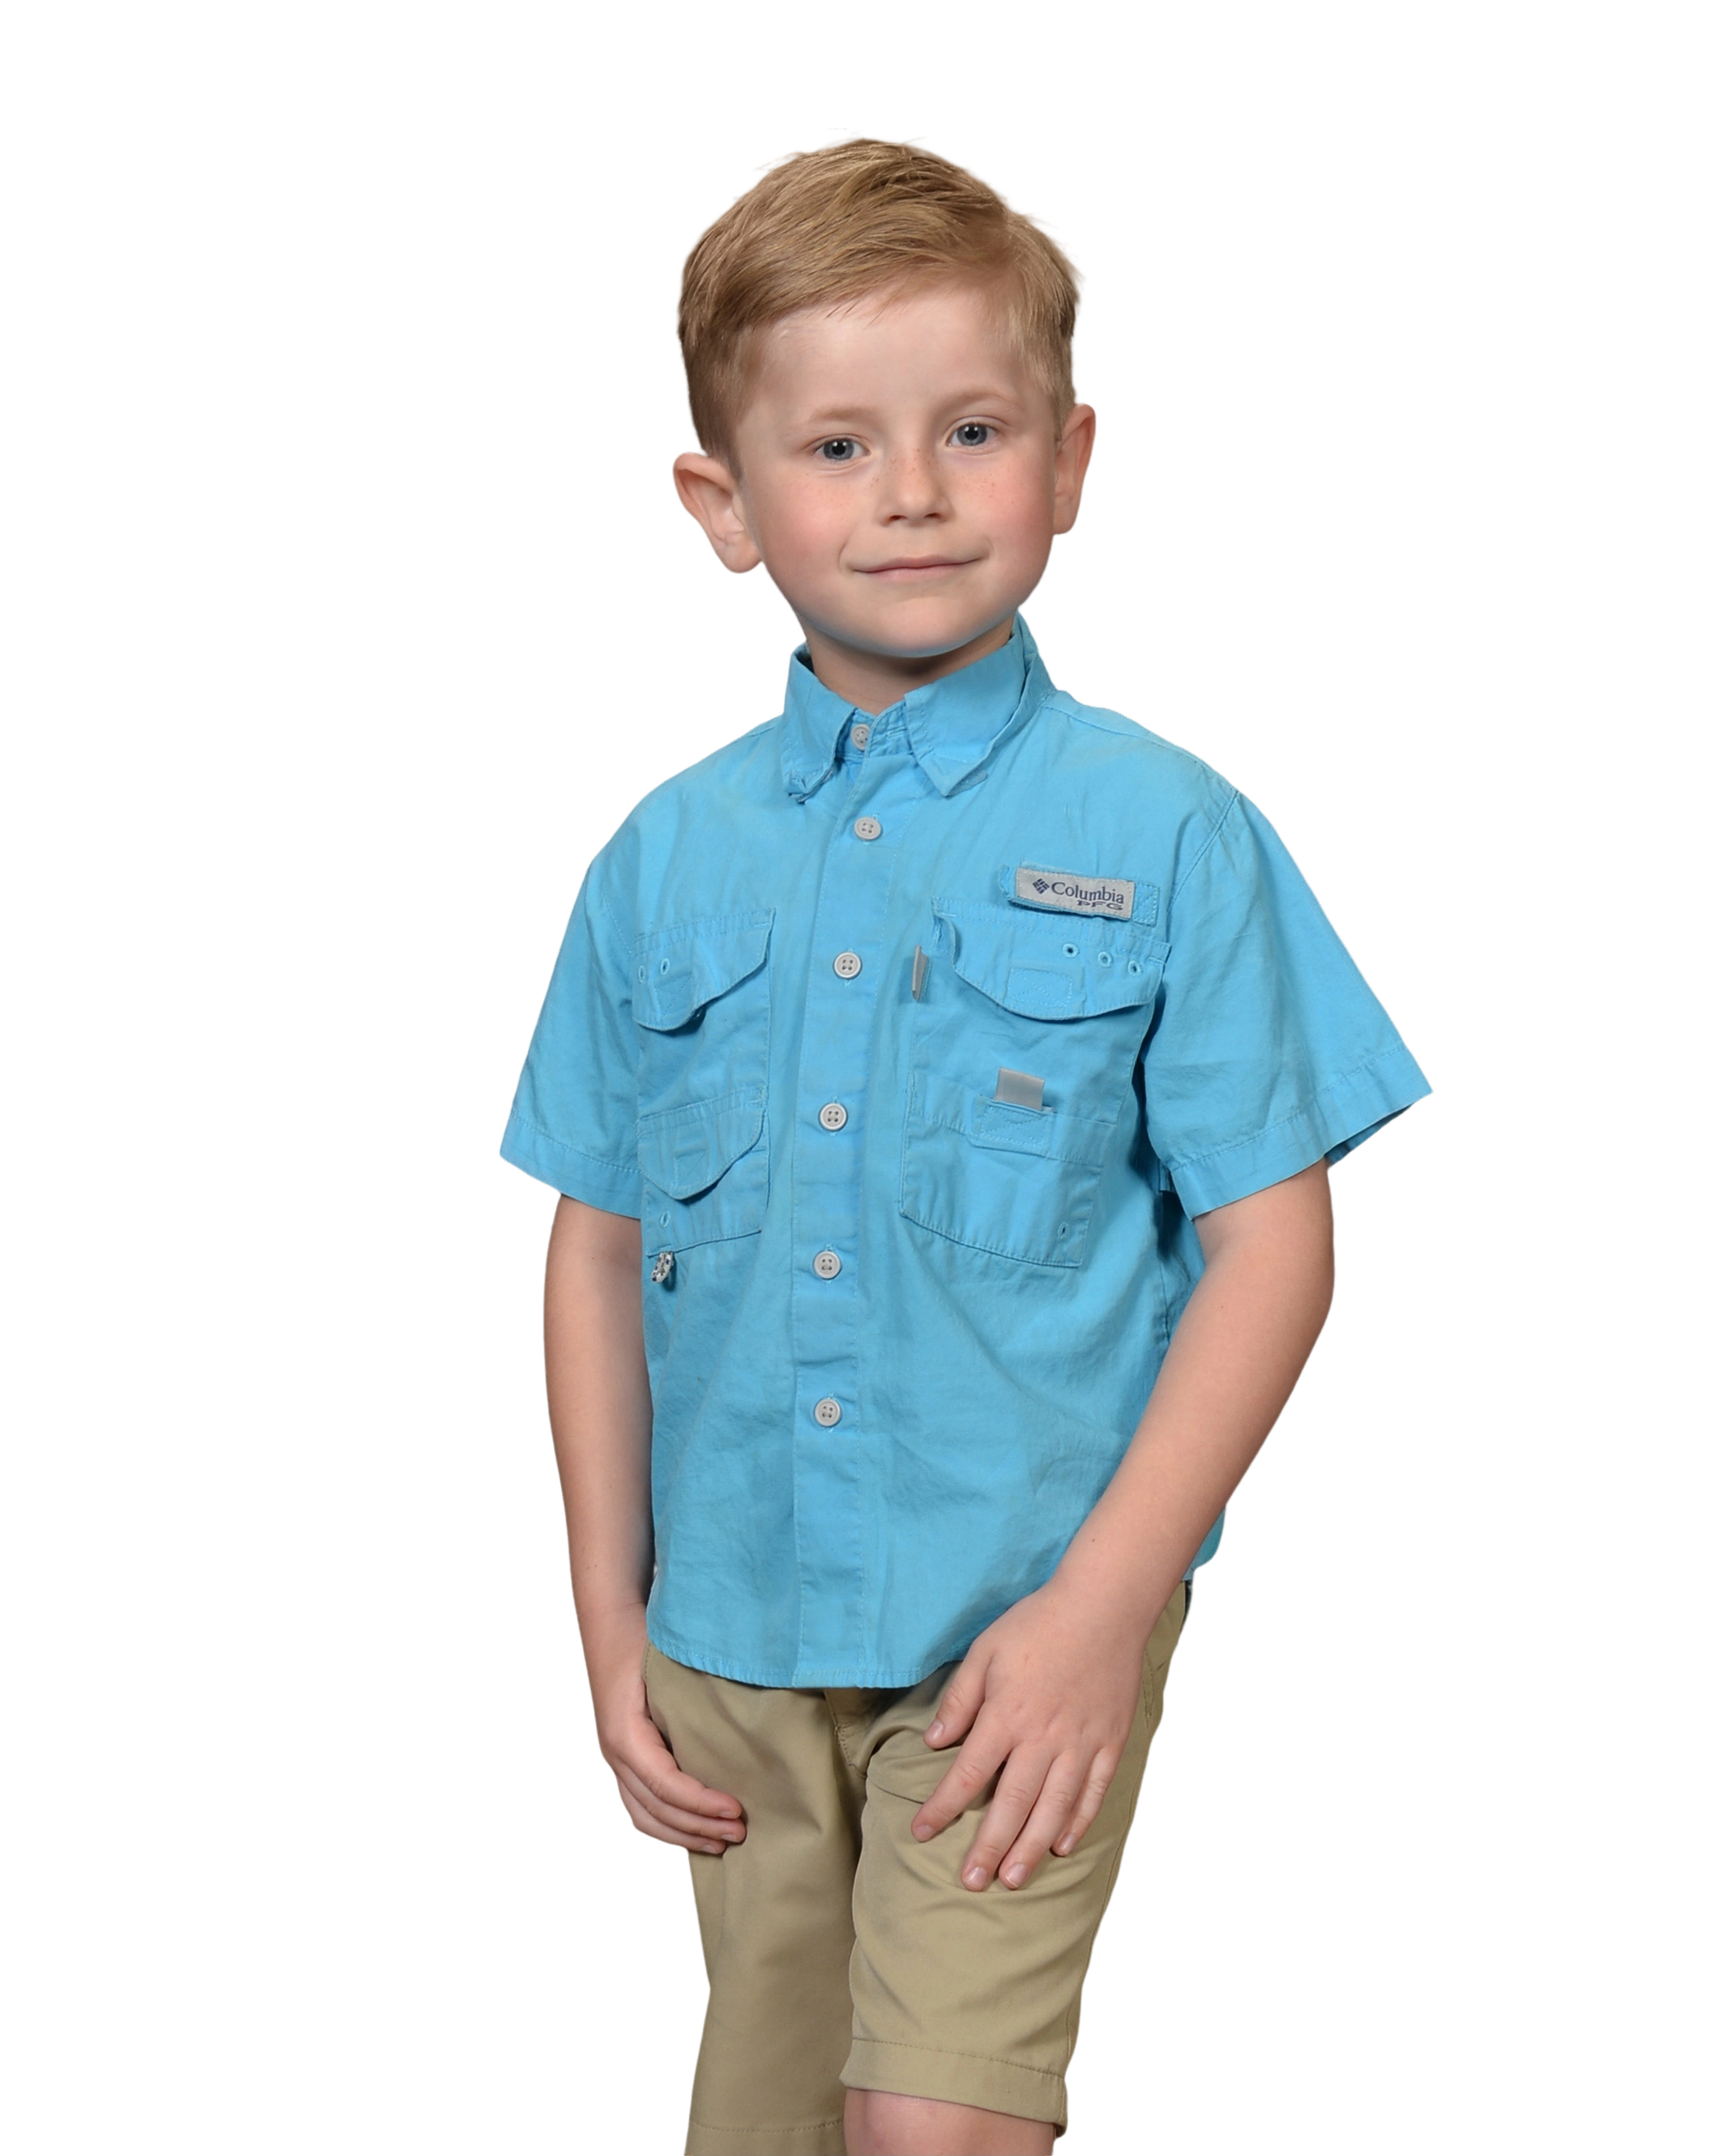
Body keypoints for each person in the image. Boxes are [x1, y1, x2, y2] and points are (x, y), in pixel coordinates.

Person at [496, 129, 1433, 2156]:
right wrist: (608, 1623)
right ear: (721, 506)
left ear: (1072, 463)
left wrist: (1106, 1609)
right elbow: (595, 1244)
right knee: (768, 2128)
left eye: (974, 429)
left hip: (1017, 1630)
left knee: (933, 2129)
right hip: (734, 1634)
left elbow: (1276, 1245)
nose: (911, 492)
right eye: (837, 446)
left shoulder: (1169, 830)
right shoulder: (658, 857)